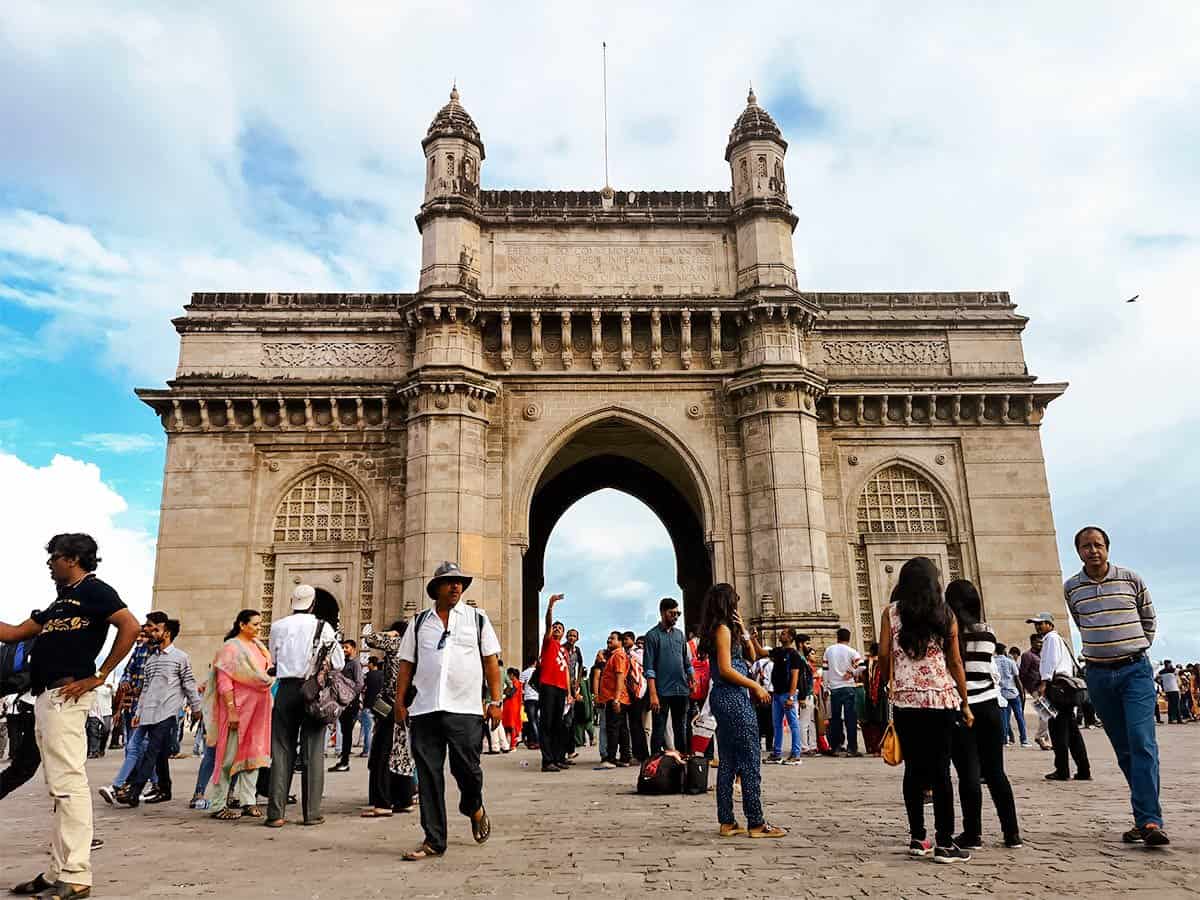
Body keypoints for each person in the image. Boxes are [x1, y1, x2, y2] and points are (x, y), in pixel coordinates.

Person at [2, 533, 140, 899]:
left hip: (67, 695)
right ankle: (57, 871)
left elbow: (130, 626)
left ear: (73, 558)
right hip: (47, 696)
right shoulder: (62, 603)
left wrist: (100, 675)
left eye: (54, 557)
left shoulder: (96, 591)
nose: (49, 563)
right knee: (58, 788)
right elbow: (15, 633)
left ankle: (77, 874)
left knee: (69, 786)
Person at [1064, 525, 1168, 846]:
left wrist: (1133, 648)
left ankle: (1150, 820)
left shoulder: (1131, 579)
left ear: (1107, 548)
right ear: (1078, 551)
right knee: (1124, 750)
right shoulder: (1072, 589)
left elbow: (1148, 620)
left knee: (1141, 742)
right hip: (1097, 674)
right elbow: (1082, 624)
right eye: (1085, 546)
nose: (1092, 551)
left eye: (1098, 545)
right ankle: (1144, 817)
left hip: (1134, 670)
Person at [394, 561, 502, 861]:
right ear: (436, 588)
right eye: (450, 582)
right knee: (428, 775)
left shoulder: (476, 619)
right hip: (425, 708)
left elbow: (491, 661)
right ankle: (434, 839)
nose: (456, 586)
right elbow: (406, 665)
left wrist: (496, 702)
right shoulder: (418, 623)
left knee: (467, 769)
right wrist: (399, 702)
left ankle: (473, 806)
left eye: (460, 583)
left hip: (464, 708)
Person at [877, 557, 973, 864]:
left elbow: (882, 654)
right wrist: (966, 701)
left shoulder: (890, 613)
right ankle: (945, 842)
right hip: (941, 699)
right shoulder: (945, 614)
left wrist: (891, 682)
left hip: (906, 700)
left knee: (914, 771)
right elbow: (955, 662)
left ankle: (919, 838)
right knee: (941, 771)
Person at [698, 583, 784, 839]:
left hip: (724, 697)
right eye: (735, 601)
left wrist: (744, 630)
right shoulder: (722, 630)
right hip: (733, 696)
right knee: (749, 759)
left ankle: (727, 822)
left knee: (728, 761)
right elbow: (725, 669)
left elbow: (754, 654)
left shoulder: (724, 629)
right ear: (728, 603)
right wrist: (755, 685)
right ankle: (756, 823)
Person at [945, 580, 1023, 850]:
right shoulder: (987, 632)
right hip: (990, 706)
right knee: (996, 772)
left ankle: (972, 834)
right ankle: (1011, 833)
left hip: (962, 707)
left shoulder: (948, 633)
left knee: (968, 773)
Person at [264, 584, 344, 828]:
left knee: (280, 750)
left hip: (286, 690)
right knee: (313, 751)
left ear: (292, 601)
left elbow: (273, 660)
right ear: (313, 604)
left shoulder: (277, 626)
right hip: (313, 692)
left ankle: (276, 813)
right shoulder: (323, 627)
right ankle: (311, 813)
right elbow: (339, 662)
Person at [113, 618, 203, 808]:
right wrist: (139, 710)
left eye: (156, 630)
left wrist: (196, 708)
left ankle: (133, 792)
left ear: (167, 633)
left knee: (151, 751)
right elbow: (146, 688)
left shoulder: (180, 657)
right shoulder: (151, 659)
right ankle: (164, 789)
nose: (152, 634)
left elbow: (189, 683)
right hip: (148, 713)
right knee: (160, 753)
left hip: (167, 713)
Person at [201, 610, 273, 821]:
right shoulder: (230, 648)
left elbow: (266, 675)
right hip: (237, 710)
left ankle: (248, 801)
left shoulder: (260, 648)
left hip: (259, 710)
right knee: (227, 758)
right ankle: (217, 804)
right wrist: (231, 710)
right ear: (242, 625)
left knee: (254, 755)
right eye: (255, 624)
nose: (259, 628)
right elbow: (224, 682)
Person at [99, 612, 170, 804]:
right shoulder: (139, 651)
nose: (143, 630)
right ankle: (150, 785)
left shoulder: (164, 655)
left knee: (136, 748)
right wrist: (125, 681)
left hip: (150, 710)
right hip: (133, 707)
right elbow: (128, 671)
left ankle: (122, 786)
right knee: (137, 748)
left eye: (149, 627)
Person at [1027, 611, 1091, 783]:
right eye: (1036, 624)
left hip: (1056, 687)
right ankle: (1083, 769)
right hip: (1064, 688)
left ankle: (1062, 770)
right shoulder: (1059, 639)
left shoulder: (1050, 639)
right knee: (1072, 731)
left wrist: (1044, 683)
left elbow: (1050, 661)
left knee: (1058, 731)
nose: (1038, 626)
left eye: (1041, 623)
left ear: (1050, 624)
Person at [361, 620, 415, 817]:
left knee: (382, 754)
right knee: (402, 753)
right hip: (408, 707)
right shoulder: (416, 647)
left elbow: (370, 639)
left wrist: (392, 634)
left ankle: (383, 802)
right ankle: (404, 799)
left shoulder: (398, 643)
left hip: (391, 705)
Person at [644, 597, 694, 757]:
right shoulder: (652, 636)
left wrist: (691, 676)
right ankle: (655, 764)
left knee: (682, 728)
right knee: (659, 728)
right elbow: (649, 668)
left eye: (678, 614)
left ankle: (683, 761)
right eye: (673, 613)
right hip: (661, 691)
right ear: (663, 612)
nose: (676, 617)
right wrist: (653, 695)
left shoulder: (680, 635)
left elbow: (686, 660)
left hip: (681, 689)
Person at [534, 595, 570, 772]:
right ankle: (547, 760)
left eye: (559, 628)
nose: (556, 629)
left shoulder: (564, 650)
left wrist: (570, 693)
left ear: (563, 633)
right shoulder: (548, 643)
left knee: (558, 724)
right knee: (547, 723)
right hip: (548, 686)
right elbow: (548, 624)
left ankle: (558, 757)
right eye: (555, 627)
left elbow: (567, 673)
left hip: (561, 689)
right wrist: (550, 606)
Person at [823, 627, 865, 756]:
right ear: (849, 638)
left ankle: (835, 747)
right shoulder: (852, 651)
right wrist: (852, 672)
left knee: (835, 719)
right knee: (850, 719)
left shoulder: (829, 651)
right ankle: (852, 748)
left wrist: (825, 687)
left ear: (837, 637)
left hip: (834, 688)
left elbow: (825, 670)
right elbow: (862, 666)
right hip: (848, 687)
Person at [766, 628, 803, 764]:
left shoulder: (794, 655)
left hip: (787, 694)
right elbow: (760, 653)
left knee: (793, 724)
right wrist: (751, 639)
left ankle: (796, 754)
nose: (781, 634)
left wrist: (791, 697)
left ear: (791, 637)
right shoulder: (778, 651)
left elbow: (794, 676)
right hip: (777, 693)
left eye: (784, 633)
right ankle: (776, 753)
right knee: (777, 725)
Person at [595, 631, 632, 769]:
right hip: (617, 698)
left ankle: (610, 758)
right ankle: (624, 758)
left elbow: (620, 677)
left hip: (615, 698)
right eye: (608, 637)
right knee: (621, 729)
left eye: (612, 638)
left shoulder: (618, 656)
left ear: (620, 642)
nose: (608, 640)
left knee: (613, 729)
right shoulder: (614, 656)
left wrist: (616, 699)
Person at [329, 639, 365, 773]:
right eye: (343, 647)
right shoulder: (343, 663)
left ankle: (345, 761)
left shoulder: (355, 664)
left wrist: (349, 696)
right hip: (342, 703)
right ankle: (343, 759)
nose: (344, 650)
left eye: (347, 647)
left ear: (354, 649)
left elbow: (359, 683)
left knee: (347, 732)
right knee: (344, 731)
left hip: (350, 704)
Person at [1018, 633, 1050, 750]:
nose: (1040, 644)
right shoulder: (1027, 655)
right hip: (1035, 688)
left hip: (1044, 687)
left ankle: (1045, 739)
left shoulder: (1042, 655)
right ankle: (1040, 736)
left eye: (1041, 642)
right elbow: (1022, 674)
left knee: (1047, 714)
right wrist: (1026, 689)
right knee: (1045, 713)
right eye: (1037, 642)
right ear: (1032, 642)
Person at [621, 631, 650, 761]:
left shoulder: (638, 652)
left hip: (640, 692)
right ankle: (637, 753)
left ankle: (642, 754)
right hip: (630, 692)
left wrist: (630, 653)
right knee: (633, 725)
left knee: (638, 725)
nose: (624, 642)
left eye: (626, 639)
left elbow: (643, 662)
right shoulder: (624, 653)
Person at [995, 643, 1028, 747]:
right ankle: (1024, 740)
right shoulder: (1011, 662)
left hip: (1001, 694)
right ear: (1004, 651)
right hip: (1013, 693)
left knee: (1005, 718)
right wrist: (1022, 693)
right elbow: (1017, 679)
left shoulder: (993, 662)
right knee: (1019, 717)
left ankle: (1005, 740)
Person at [860, 642, 889, 756]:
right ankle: (883, 748)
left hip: (869, 696)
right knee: (883, 721)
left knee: (872, 722)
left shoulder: (867, 663)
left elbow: (859, 675)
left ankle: (875, 748)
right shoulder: (884, 663)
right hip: (882, 695)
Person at [360, 657, 382, 757]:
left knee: (367, 729)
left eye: (369, 663)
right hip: (380, 705)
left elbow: (361, 687)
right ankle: (377, 749)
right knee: (379, 729)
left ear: (372, 664)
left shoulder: (368, 675)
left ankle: (366, 751)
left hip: (368, 704)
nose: (368, 664)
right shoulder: (383, 675)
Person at [519, 658, 540, 750]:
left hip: (529, 698)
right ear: (535, 662)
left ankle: (537, 740)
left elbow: (520, 687)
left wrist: (521, 698)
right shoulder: (538, 672)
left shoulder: (524, 673)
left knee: (532, 721)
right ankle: (532, 741)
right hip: (538, 698)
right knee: (536, 720)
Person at [502, 666, 524, 750]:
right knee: (509, 725)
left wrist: (505, 691)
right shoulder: (514, 683)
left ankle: (513, 744)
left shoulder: (516, 683)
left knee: (512, 726)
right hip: (510, 706)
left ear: (512, 675)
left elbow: (510, 693)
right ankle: (509, 744)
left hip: (512, 706)